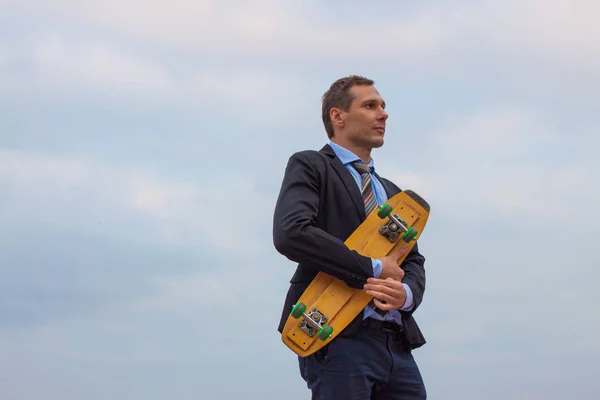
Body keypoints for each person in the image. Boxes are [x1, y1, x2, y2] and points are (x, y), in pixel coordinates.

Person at [272, 75, 428, 399]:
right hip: (335, 332)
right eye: (370, 106)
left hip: (395, 343)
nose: (383, 114)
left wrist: (406, 293)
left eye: (383, 106)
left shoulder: (393, 193)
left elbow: (411, 260)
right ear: (338, 117)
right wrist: (371, 267)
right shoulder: (312, 165)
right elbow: (292, 232)